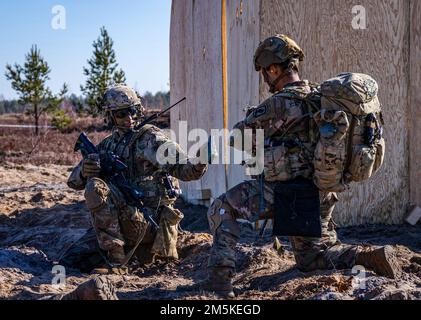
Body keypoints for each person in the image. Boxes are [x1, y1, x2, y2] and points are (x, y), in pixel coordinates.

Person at [192, 35, 401, 298]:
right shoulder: (320, 98)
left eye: (265, 72)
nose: (265, 79)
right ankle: (366, 257)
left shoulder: (279, 103)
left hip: (283, 194)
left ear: (274, 69)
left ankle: (220, 282)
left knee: (222, 207)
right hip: (322, 191)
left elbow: (239, 138)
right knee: (313, 258)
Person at [67, 85, 208, 273]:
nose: (129, 118)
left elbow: (185, 170)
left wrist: (200, 162)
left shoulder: (150, 140)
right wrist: (84, 170)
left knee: (95, 187)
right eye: (121, 114)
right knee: (71, 258)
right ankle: (118, 252)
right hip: (121, 223)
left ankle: (117, 263)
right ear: (110, 117)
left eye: (132, 111)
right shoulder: (109, 144)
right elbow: (74, 182)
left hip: (146, 224)